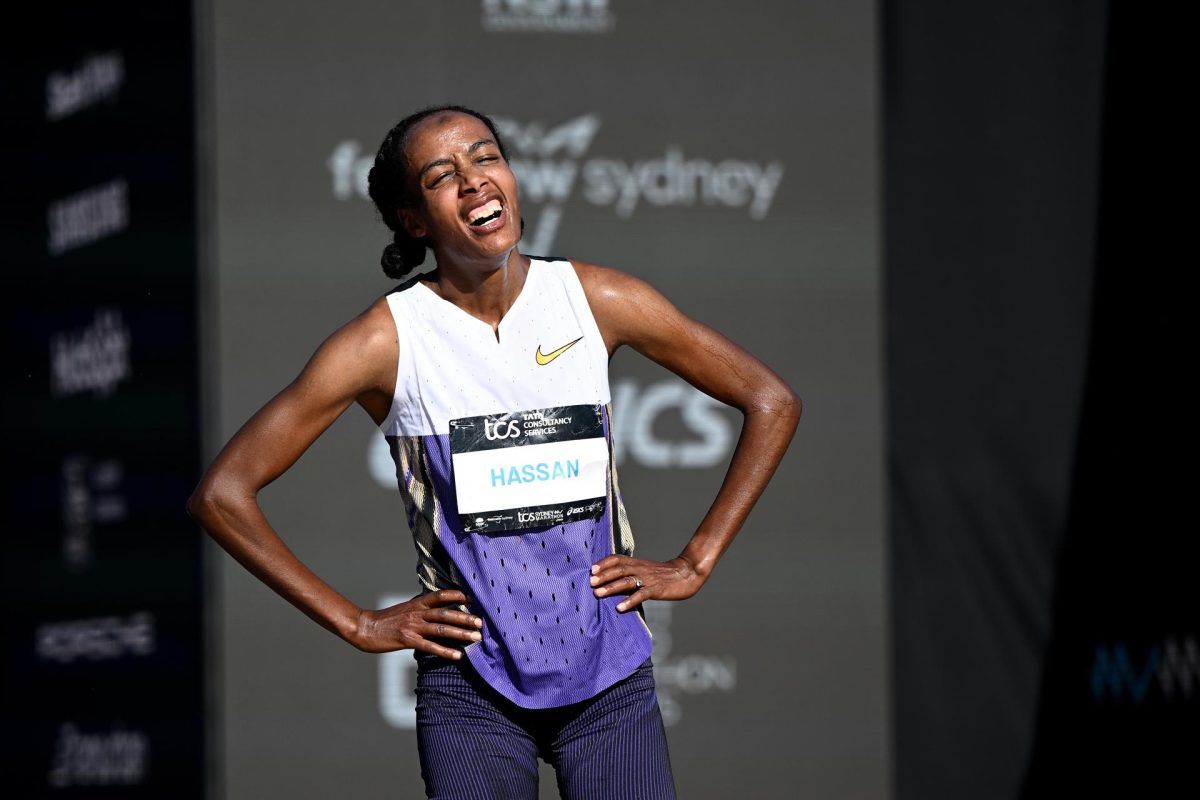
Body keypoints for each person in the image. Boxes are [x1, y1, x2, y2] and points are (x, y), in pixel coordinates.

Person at [187, 104, 801, 800]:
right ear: (413, 219)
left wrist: (696, 561)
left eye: (486, 157)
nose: (475, 181)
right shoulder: (386, 341)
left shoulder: (597, 299)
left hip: (609, 678)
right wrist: (357, 622)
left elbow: (771, 400)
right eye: (442, 175)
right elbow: (222, 495)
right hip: (470, 691)